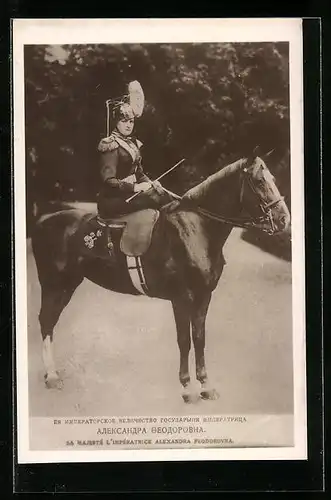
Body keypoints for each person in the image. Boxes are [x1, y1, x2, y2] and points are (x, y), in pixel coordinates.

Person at [96, 82, 172, 218]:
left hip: (129, 194)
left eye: (131, 121)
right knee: (155, 198)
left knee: (161, 193)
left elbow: (139, 173)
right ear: (116, 122)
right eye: (124, 121)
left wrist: (150, 183)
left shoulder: (132, 143)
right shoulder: (110, 144)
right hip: (112, 199)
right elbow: (108, 180)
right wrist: (135, 188)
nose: (128, 125)